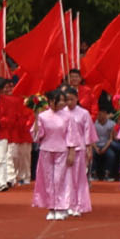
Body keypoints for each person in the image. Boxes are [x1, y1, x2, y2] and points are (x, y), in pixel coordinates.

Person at [30, 90, 81, 221]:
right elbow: (37, 136)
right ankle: (51, 207)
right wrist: (36, 118)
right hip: (46, 150)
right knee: (48, 180)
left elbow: (72, 135)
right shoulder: (42, 116)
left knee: (60, 179)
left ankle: (61, 207)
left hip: (62, 151)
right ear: (51, 101)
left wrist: (71, 152)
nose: (63, 103)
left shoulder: (68, 117)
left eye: (64, 100)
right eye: (60, 100)